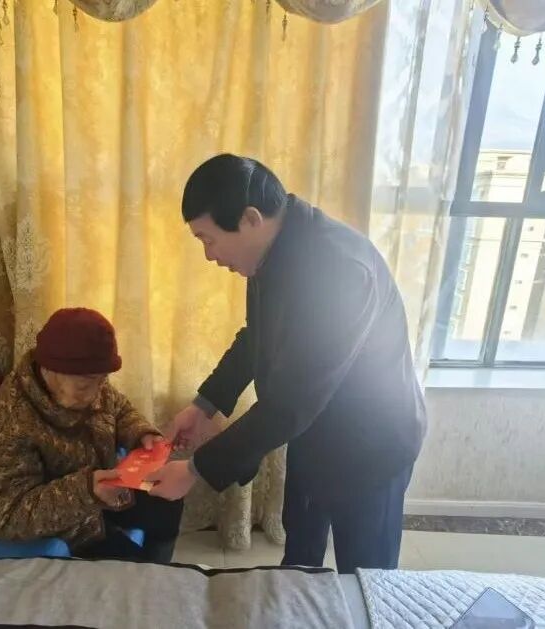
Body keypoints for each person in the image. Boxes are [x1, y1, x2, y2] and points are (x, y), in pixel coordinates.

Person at [148, 154, 427, 573]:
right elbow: (255, 338)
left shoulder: (340, 270)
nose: (208, 255)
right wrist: (203, 405)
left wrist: (194, 470)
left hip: (372, 444)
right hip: (315, 431)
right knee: (300, 556)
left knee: (366, 574)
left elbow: (292, 401)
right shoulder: (271, 253)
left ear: (250, 219)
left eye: (208, 239)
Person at [0, 307, 183, 563]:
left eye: (102, 380)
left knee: (168, 498)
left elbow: (118, 408)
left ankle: (159, 568)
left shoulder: (87, 378)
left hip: (102, 492)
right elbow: (6, 518)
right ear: (49, 370)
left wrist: (142, 433)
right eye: (85, 386)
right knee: (131, 573)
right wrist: (86, 492)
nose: (96, 393)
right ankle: (148, 575)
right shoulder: (10, 423)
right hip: (64, 528)